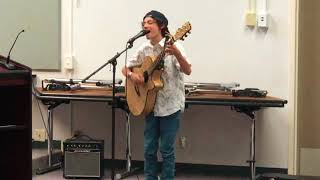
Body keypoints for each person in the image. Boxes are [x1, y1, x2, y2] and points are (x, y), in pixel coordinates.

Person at [122, 10, 192, 180]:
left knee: (166, 150)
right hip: (150, 104)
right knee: (149, 149)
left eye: (150, 22)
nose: (145, 25)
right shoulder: (143, 48)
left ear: (161, 26)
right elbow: (126, 68)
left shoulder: (174, 46)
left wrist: (176, 53)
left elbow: (188, 70)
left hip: (170, 105)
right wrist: (134, 76)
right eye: (143, 23)